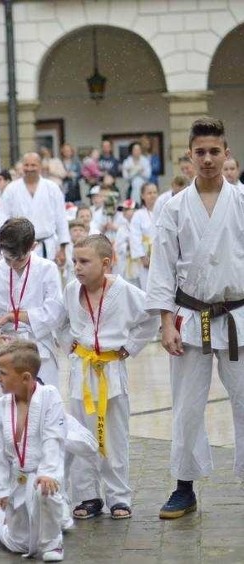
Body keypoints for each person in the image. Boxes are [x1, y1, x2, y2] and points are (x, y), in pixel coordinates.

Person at [146, 117, 244, 520]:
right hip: (191, 316)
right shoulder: (172, 207)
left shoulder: (242, 201)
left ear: (226, 154)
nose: (207, 159)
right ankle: (184, 486)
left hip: (237, 316)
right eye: (200, 152)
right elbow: (162, 267)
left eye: (214, 151)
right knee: (187, 405)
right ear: (189, 156)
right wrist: (166, 321)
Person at [61, 235, 156, 521]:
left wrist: (130, 346)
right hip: (82, 371)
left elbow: (150, 317)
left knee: (114, 437)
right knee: (80, 436)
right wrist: (71, 345)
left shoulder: (126, 291)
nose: (77, 267)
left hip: (111, 372)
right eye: (74, 261)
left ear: (106, 263)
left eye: (84, 261)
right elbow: (62, 322)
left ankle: (119, 496)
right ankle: (87, 495)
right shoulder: (69, 290)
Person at [0, 340, 72, 562]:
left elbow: (53, 438)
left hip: (41, 475)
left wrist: (48, 472)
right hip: (17, 481)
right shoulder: (1, 406)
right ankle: (14, 527)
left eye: (3, 373)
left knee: (46, 488)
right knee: (19, 544)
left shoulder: (49, 397)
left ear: (25, 378)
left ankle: (54, 541)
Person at [0, 218, 65, 389]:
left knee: (43, 405)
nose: (12, 264)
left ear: (33, 247)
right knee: (9, 408)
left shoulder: (47, 269)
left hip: (39, 348)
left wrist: (12, 316)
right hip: (8, 347)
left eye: (18, 259)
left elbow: (54, 313)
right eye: (7, 259)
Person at [0, 153, 69, 266]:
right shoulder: (11, 189)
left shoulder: (52, 188)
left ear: (40, 166)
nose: (29, 168)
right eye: (26, 165)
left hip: (47, 246)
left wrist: (63, 248)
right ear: (22, 166)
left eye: (33, 165)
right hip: (20, 248)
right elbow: (2, 218)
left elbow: (61, 218)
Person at [129, 182, 158, 290]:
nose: (153, 195)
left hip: (161, 254)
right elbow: (134, 236)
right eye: (149, 193)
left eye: (155, 192)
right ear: (142, 196)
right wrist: (142, 256)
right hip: (146, 256)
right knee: (147, 288)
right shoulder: (138, 214)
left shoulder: (164, 211)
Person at [111, 201, 139, 287]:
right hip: (128, 264)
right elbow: (117, 247)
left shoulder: (142, 224)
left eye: (127, 209)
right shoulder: (122, 229)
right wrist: (128, 246)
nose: (124, 212)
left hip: (142, 262)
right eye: (123, 210)